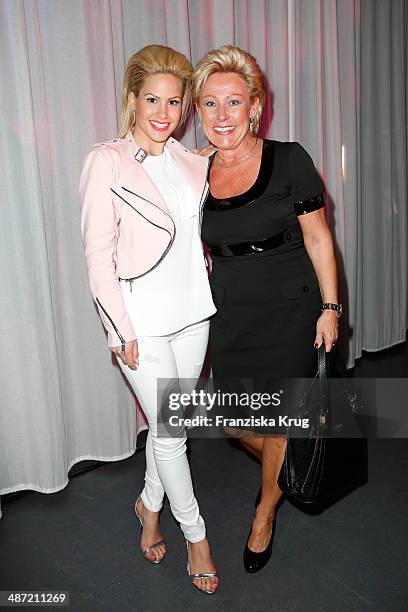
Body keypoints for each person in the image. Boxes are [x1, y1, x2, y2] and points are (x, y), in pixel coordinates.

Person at [193, 45, 341, 573]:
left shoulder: (289, 158)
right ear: (198, 112)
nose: (222, 116)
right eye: (210, 104)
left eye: (233, 102)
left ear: (254, 106)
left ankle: (264, 514)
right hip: (232, 310)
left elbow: (320, 239)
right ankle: (295, 465)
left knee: (276, 423)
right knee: (236, 421)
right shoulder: (195, 172)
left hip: (290, 308)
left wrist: (330, 307)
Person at [79, 45, 219, 595]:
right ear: (132, 99)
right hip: (141, 319)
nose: (164, 112)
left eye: (174, 101)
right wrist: (120, 328)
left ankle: (148, 506)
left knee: (172, 429)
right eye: (152, 98)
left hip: (194, 313)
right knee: (170, 433)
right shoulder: (106, 160)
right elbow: (98, 256)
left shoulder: (189, 160)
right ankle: (197, 537)